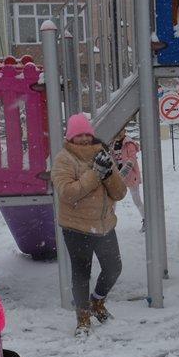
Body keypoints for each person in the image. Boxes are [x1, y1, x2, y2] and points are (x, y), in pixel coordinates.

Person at [51, 113, 127, 336]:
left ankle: (97, 302)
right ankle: (83, 318)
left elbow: (120, 192)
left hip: (104, 226)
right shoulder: (64, 159)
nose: (84, 138)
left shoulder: (102, 154)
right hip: (76, 228)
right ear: (70, 137)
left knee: (114, 268)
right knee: (81, 274)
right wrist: (95, 174)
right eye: (78, 134)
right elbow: (68, 193)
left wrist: (109, 174)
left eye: (87, 133)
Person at [112, 131, 144, 231]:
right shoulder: (113, 143)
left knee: (136, 200)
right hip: (117, 177)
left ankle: (146, 219)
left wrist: (123, 173)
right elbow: (113, 158)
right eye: (117, 131)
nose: (119, 133)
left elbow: (132, 159)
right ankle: (109, 222)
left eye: (121, 131)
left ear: (124, 131)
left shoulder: (129, 143)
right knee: (113, 200)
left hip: (130, 176)